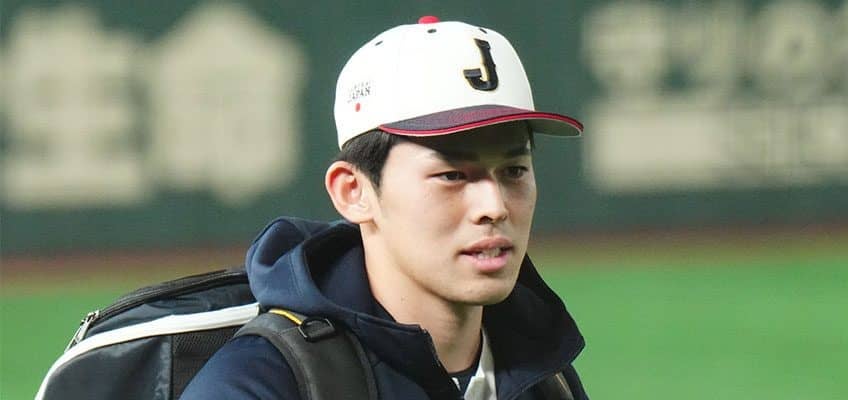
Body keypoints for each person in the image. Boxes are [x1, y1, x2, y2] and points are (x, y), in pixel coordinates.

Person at [182, 16, 587, 399]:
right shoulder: (260, 384)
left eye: (514, 171)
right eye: (452, 175)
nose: (494, 206)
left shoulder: (543, 375)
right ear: (353, 191)